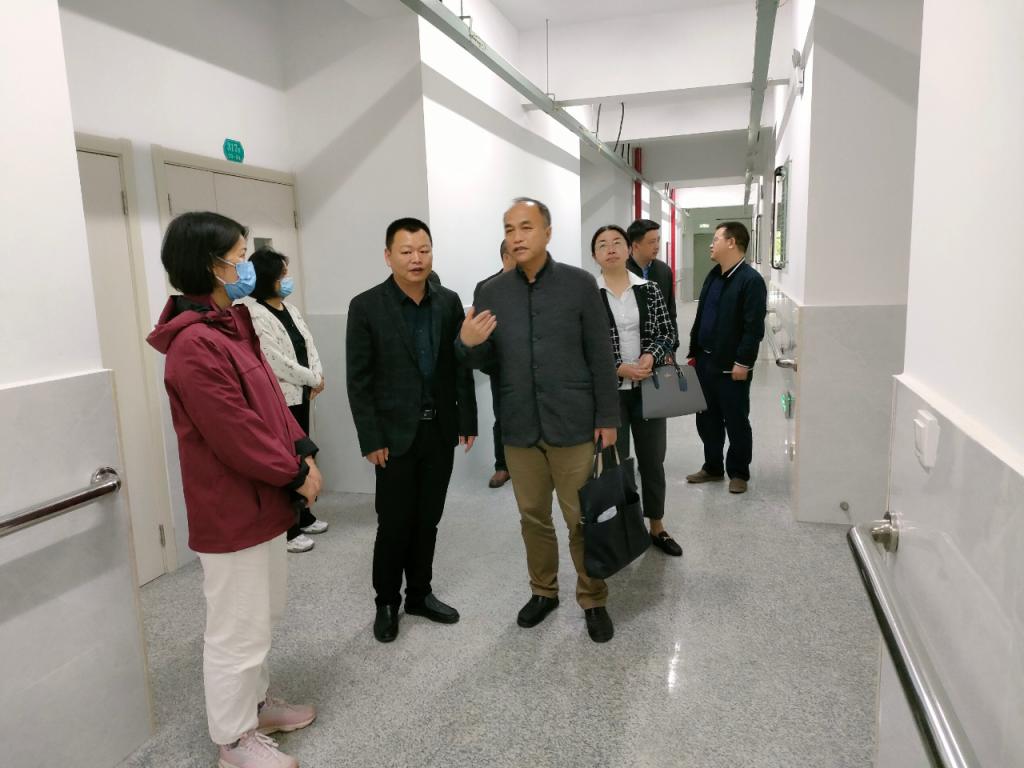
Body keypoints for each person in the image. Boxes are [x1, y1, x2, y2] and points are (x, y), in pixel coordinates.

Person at [146, 211, 322, 768]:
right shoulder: (193, 346)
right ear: (211, 266)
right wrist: (294, 472)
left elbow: (270, 401)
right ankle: (233, 739)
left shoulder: (233, 324)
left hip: (263, 500)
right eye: (240, 257)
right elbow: (235, 432)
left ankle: (256, 704)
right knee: (236, 628)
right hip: (231, 508)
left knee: (262, 615)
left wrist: (302, 450)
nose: (248, 266)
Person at [457, 198, 620, 643]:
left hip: (574, 423)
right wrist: (467, 343)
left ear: (548, 232)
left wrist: (608, 416)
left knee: (581, 519)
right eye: (509, 229)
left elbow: (600, 355)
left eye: (526, 227)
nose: (517, 236)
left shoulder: (579, 284)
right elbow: (485, 362)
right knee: (533, 518)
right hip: (520, 426)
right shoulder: (490, 292)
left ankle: (593, 598)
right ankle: (543, 592)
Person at [346, 217, 477, 643]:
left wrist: (467, 420)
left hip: (438, 431)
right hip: (393, 436)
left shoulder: (449, 302)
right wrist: (371, 438)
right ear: (389, 257)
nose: (416, 258)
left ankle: (419, 593)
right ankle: (387, 601)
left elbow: (459, 367)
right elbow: (359, 380)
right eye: (406, 251)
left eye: (424, 250)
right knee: (394, 523)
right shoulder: (366, 306)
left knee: (428, 520)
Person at [591, 225, 683, 557]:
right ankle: (624, 529)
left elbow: (667, 333)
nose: (611, 248)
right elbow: (583, 345)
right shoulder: (589, 295)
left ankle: (656, 526)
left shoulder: (649, 289)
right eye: (602, 244)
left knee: (652, 460)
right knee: (615, 465)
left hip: (649, 387)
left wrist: (650, 356)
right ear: (595, 256)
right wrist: (617, 366)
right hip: (609, 395)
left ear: (628, 249)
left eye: (617, 242)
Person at [242, 247, 327, 554]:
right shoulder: (254, 313)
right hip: (281, 398)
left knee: (304, 455)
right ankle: (288, 528)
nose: (287, 280)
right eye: (282, 275)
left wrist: (317, 374)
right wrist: (311, 378)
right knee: (287, 460)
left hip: (302, 393)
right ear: (268, 279)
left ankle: (304, 514)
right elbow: (274, 360)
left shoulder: (290, 309)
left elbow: (309, 344)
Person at [686, 221, 767, 494]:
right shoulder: (714, 275)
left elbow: (753, 328)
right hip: (705, 362)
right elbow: (703, 317)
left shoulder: (750, 281)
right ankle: (712, 467)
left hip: (732, 367)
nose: (711, 244)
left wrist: (743, 362)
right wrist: (695, 352)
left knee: (736, 420)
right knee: (706, 419)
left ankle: (739, 472)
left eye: (716, 239)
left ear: (731, 242)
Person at [473, 240, 517, 488]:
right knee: (502, 414)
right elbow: (481, 328)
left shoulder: (533, 283)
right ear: (505, 257)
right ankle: (502, 466)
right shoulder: (487, 287)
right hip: (501, 364)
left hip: (534, 363)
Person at [626, 218, 679, 353]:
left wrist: (673, 346)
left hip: (660, 346)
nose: (657, 246)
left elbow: (670, 312)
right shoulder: (621, 272)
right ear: (635, 246)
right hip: (630, 348)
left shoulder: (664, 271)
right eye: (651, 242)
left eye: (658, 240)